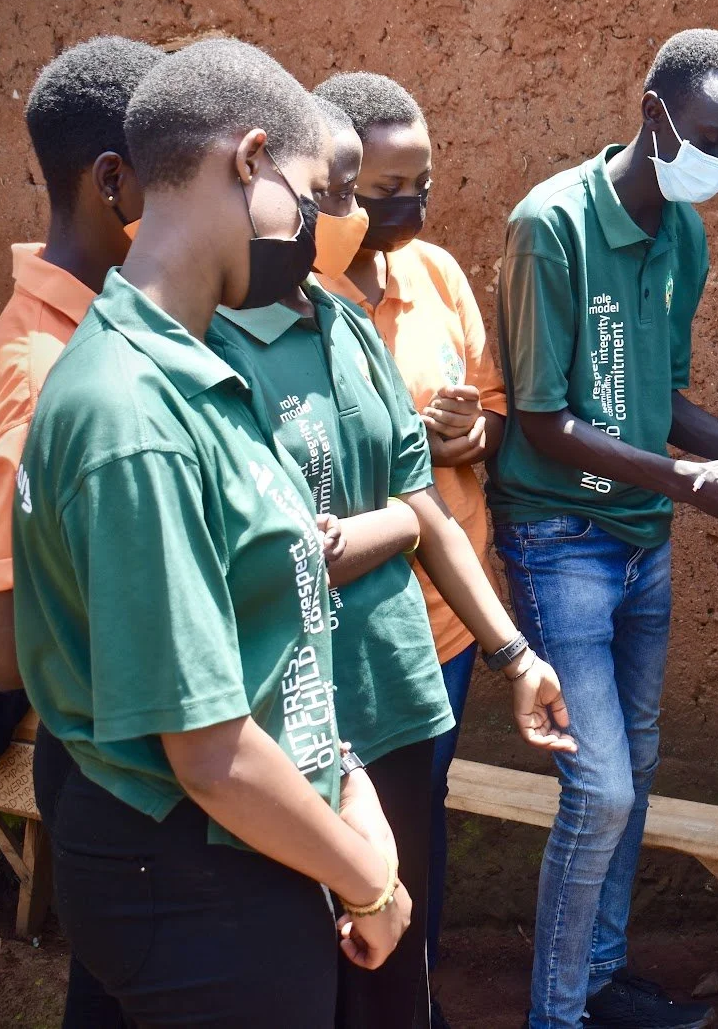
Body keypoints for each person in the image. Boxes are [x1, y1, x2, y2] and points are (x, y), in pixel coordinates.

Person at [11, 37, 414, 1026]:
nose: (318, 229)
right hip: (195, 872)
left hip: (248, 843)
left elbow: (259, 635)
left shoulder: (191, 370)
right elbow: (210, 749)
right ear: (252, 159)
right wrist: (371, 880)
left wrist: (345, 775)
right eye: (313, 195)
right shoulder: (132, 416)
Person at [490, 27, 718, 1029]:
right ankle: (557, 1013)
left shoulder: (683, 236)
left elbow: (655, 397)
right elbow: (546, 423)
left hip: (642, 541)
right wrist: (702, 484)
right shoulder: (550, 226)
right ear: (655, 116)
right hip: (559, 539)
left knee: (634, 773)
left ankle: (601, 979)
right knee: (598, 788)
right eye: (711, 139)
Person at [204, 95, 572, 1029]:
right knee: (310, 950)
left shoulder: (348, 326)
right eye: (336, 194)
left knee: (399, 956)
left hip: (396, 682)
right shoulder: (207, 347)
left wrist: (514, 654)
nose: (359, 217)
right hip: (288, 708)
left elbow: (421, 508)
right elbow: (279, 557)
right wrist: (386, 533)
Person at [0, 34, 163, 1029]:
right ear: (114, 181)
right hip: (107, 768)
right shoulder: (43, 373)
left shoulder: (106, 325)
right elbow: (2, 649)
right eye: (176, 173)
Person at [312, 73, 506, 1017]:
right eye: (381, 190)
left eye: (419, 182)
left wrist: (474, 433)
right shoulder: (291, 300)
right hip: (333, 631)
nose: (406, 206)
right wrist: (402, 461)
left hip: (440, 626)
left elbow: (494, 402)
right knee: (339, 857)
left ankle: (409, 995)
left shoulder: (435, 274)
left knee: (414, 834)